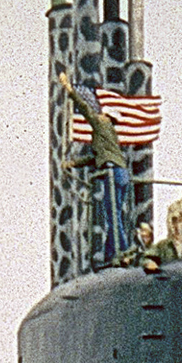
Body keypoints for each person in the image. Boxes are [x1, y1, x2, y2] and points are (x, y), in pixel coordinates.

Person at [58, 71, 131, 261]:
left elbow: (84, 108)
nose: (100, 116)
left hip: (112, 172)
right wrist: (74, 163)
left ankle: (124, 252)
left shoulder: (101, 125)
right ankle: (110, 254)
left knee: (113, 216)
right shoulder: (109, 136)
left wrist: (68, 88)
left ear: (108, 118)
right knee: (115, 216)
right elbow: (95, 157)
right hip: (121, 173)